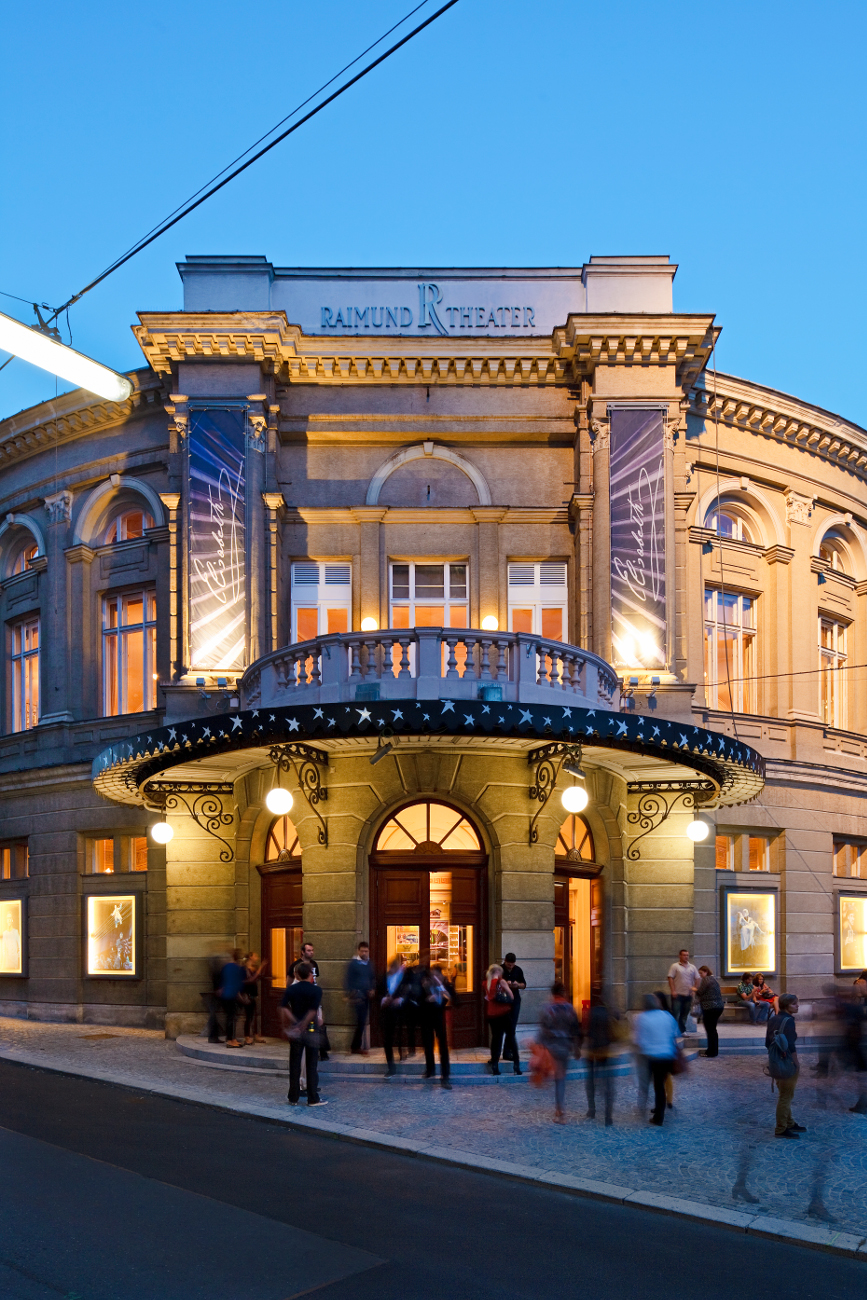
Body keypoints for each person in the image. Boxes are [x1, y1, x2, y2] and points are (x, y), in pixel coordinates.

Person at [281, 961, 326, 1107]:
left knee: (294, 1064)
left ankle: (293, 1097)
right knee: (311, 1065)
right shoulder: (316, 990)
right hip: (311, 1030)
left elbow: (283, 1008)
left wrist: (294, 1022)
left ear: (297, 975)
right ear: (309, 974)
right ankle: (313, 1098)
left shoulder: (291, 990)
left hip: (296, 1031)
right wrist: (304, 1024)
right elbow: (313, 1010)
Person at [538, 982, 583, 1122]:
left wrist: (541, 1047)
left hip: (552, 1046)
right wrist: (577, 1047)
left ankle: (560, 1110)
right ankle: (560, 1110)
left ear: (552, 993)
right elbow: (576, 1028)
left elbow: (543, 1029)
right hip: (565, 1045)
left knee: (558, 1076)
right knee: (561, 1078)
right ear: (563, 992)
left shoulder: (547, 1008)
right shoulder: (569, 1008)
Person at [633, 993, 680, 1126]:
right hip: (666, 1055)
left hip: (650, 1056)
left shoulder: (642, 1018)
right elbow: (675, 1034)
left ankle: (643, 1106)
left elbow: (638, 1040)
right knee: (660, 1086)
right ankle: (659, 1115)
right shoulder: (667, 1016)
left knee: (646, 1083)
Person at [765, 992, 804, 1138]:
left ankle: (790, 1122)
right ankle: (781, 1128)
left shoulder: (773, 1019)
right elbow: (791, 1046)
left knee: (784, 1094)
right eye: (794, 1003)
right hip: (786, 1062)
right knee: (786, 1096)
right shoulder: (789, 1021)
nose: (798, 1005)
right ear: (787, 1006)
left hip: (775, 1062)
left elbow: (767, 1043)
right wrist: (796, 1063)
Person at [291, 942, 330, 1060]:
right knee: (309, 1026)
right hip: (302, 1000)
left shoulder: (314, 964)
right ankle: (312, 1052)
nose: (311, 952)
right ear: (303, 951)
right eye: (308, 950)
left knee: (318, 1024)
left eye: (312, 950)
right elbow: (291, 982)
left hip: (313, 997)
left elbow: (315, 979)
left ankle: (322, 1051)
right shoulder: (296, 965)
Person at [583, 994, 615, 1124]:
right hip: (605, 1050)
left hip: (592, 1051)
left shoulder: (590, 1013)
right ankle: (608, 1115)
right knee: (608, 1084)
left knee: (591, 1081)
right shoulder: (608, 1013)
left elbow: (586, 1031)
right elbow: (613, 1033)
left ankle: (592, 1109)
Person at [419, 965, 452, 1088]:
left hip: (439, 1019)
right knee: (428, 1045)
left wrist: (439, 997)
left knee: (443, 1048)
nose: (435, 978)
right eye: (433, 975)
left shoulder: (446, 986)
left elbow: (452, 998)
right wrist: (427, 1000)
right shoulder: (425, 985)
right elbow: (419, 1000)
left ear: (441, 976)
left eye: (437, 975)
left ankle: (445, 1076)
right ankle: (430, 1069)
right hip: (426, 1018)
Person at [345, 941, 376, 1054]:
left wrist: (372, 989)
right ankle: (355, 1047)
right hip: (358, 997)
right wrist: (351, 993)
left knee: (362, 1021)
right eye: (362, 951)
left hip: (367, 996)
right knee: (361, 1021)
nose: (364, 953)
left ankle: (357, 1046)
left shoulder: (369, 963)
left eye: (366, 951)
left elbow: (372, 978)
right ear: (358, 951)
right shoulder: (353, 964)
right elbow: (347, 980)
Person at [484, 963, 514, 1075]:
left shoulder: (486, 983)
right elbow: (511, 996)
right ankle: (497, 1063)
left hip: (491, 1014)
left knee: (495, 1037)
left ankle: (494, 1060)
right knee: (501, 1037)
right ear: (498, 972)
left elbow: (489, 997)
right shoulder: (501, 982)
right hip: (501, 1013)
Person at [380, 954, 407, 1077]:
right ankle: (391, 1066)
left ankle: (402, 1052)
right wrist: (383, 1000)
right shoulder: (384, 977)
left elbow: (408, 992)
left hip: (400, 1011)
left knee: (400, 1034)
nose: (391, 970)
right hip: (387, 1012)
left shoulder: (403, 978)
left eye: (393, 968)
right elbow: (379, 992)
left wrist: (400, 999)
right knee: (387, 1039)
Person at [218, 948, 248, 1048]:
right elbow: (240, 984)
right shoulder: (238, 968)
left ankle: (231, 1038)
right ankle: (231, 1040)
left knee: (229, 1018)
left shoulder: (226, 967)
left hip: (224, 995)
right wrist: (242, 997)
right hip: (232, 995)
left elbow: (221, 980)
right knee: (232, 1018)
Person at [501, 952, 526, 1069]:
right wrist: (504, 984)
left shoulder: (518, 970)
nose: (510, 966)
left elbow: (524, 984)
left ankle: (507, 1051)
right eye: (508, 964)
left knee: (512, 1026)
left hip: (515, 1000)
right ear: (505, 961)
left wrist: (518, 985)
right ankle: (505, 1052)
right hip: (503, 1000)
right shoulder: (500, 970)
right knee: (504, 1026)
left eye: (512, 964)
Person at [696, 965, 725, 1058]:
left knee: (710, 1030)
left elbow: (700, 992)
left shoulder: (706, 979)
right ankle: (713, 1050)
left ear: (706, 972)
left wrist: (693, 989)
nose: (700, 975)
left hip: (710, 1007)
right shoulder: (713, 980)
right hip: (718, 1006)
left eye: (701, 973)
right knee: (713, 1030)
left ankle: (711, 1052)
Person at [667, 949, 699, 1033]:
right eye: (684, 955)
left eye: (687, 955)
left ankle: (681, 1030)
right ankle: (672, 1031)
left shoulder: (692, 967)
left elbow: (697, 978)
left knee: (684, 1014)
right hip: (677, 994)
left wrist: (694, 989)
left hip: (688, 995)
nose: (686, 957)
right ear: (680, 956)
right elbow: (670, 978)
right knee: (675, 1013)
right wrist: (673, 990)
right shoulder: (675, 966)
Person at [241, 951, 268, 1044]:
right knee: (249, 1016)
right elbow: (251, 979)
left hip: (253, 995)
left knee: (255, 1016)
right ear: (250, 957)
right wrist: (261, 966)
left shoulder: (253, 968)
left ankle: (256, 1035)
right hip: (247, 995)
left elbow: (259, 976)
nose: (257, 957)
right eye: (255, 955)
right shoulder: (245, 969)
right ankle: (247, 1036)